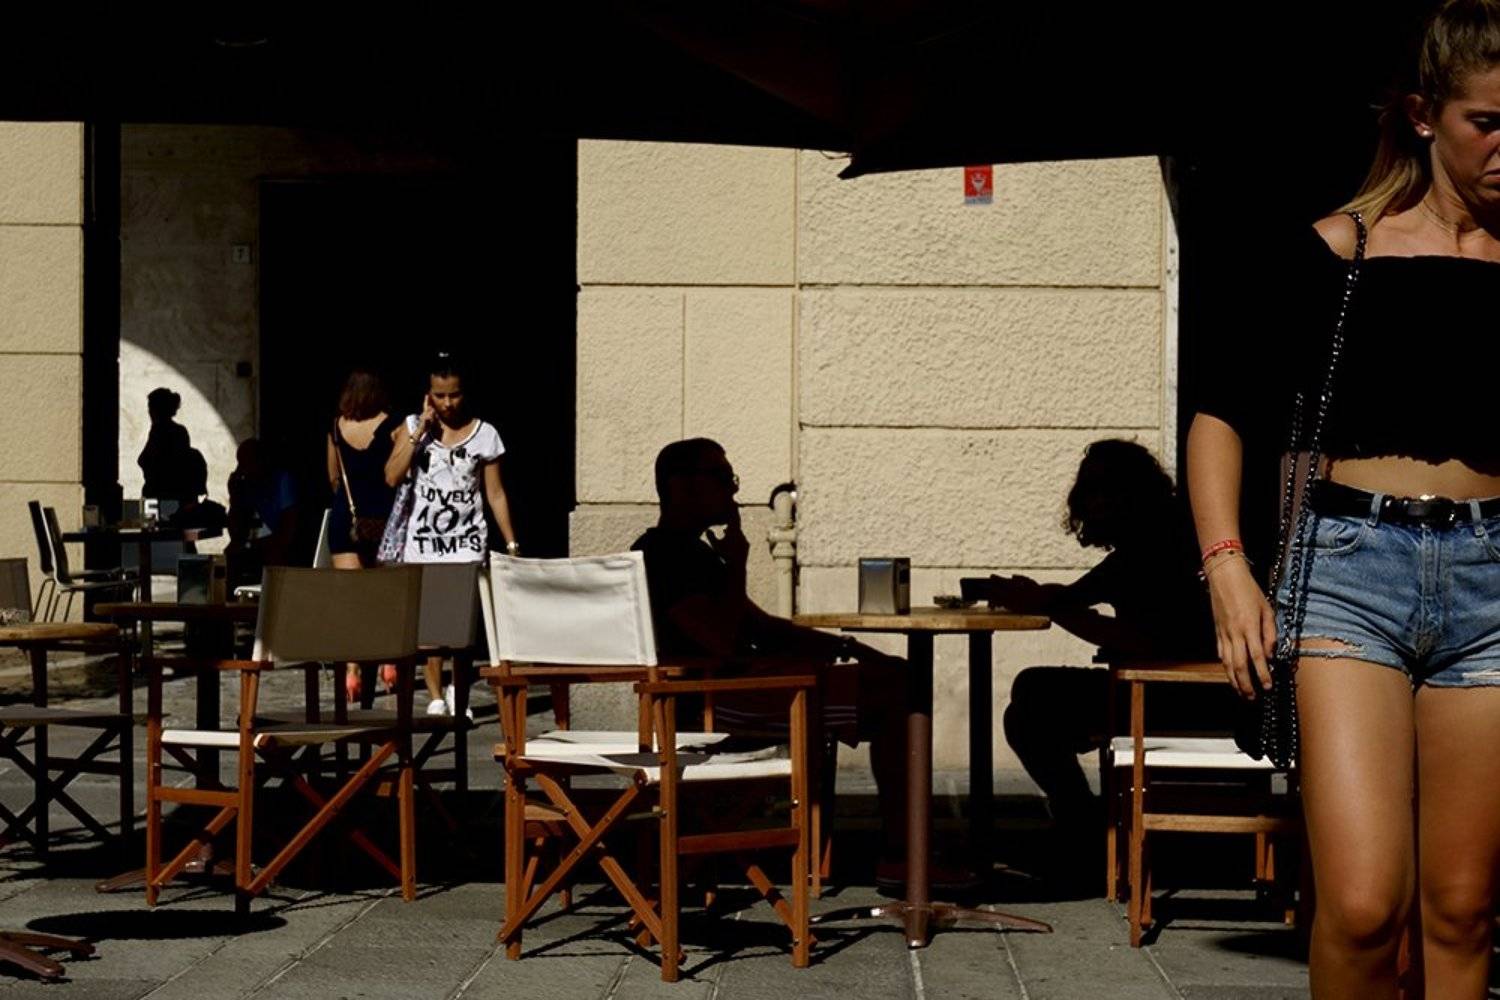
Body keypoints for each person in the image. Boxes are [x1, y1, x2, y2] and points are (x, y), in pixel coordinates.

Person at [1188, 4, 1500, 995]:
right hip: (1353, 577)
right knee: (1364, 906)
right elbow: (1221, 416)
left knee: (1464, 910)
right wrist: (1228, 568)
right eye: (1487, 122)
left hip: (1496, 585)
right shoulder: (1338, 253)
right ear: (1423, 114)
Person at [632, 438, 911, 879]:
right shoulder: (663, 555)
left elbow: (760, 628)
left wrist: (849, 649)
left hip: (739, 691)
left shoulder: (693, 552)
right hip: (711, 705)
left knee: (896, 678)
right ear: (680, 487)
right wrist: (737, 566)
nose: (733, 490)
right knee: (899, 695)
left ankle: (905, 850)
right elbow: (724, 641)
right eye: (721, 477)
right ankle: (905, 855)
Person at [999, 440, 1230, 851]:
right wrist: (1041, 597)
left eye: (1104, 491)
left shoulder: (1153, 551)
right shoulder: (1152, 543)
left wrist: (1047, 605)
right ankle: (1083, 816)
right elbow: (1075, 595)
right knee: (1029, 694)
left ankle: (1082, 821)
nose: (1096, 503)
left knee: (1029, 704)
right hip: (1173, 693)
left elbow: (1141, 637)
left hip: (1173, 698)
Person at [385, 352, 517, 717]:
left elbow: (495, 492)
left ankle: (459, 691)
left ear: (465, 392)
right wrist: (419, 432)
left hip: (465, 542)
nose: (447, 403)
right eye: (439, 395)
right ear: (428, 394)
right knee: (430, 629)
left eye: (454, 395)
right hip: (423, 543)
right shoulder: (413, 427)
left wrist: (510, 541)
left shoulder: (485, 434)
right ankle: (435, 696)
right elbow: (392, 475)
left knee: (459, 627)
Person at [326, 370, 403, 701]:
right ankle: (387, 661)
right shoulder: (394, 424)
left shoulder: (336, 427)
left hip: (347, 517)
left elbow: (333, 476)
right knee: (384, 595)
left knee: (352, 598)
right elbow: (399, 473)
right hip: (384, 516)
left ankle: (352, 669)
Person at [225, 438, 299, 588]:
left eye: (247, 463)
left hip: (275, 548)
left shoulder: (281, 480)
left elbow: (287, 530)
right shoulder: (246, 486)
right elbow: (235, 533)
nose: (243, 469)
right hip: (254, 547)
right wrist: (235, 497)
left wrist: (254, 545)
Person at [138, 387, 197, 505]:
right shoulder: (174, 431)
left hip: (163, 496)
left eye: (151, 408)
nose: (149, 412)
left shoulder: (162, 431)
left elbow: (147, 460)